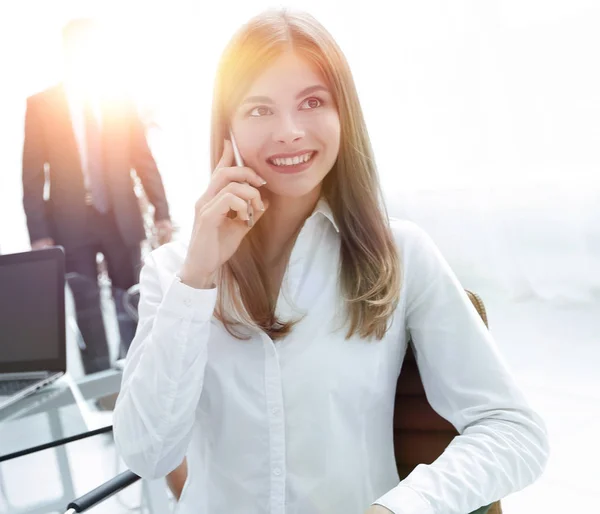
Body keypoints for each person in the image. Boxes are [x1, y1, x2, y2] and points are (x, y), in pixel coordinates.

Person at [113, 8, 549, 514]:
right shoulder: (173, 272)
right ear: (226, 128)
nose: (290, 131)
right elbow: (147, 453)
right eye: (259, 110)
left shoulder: (399, 254)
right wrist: (198, 276)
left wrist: (400, 509)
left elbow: (516, 431)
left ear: (344, 114)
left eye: (312, 102)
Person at [22, 18, 173, 375]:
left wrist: (161, 210)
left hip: (119, 215)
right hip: (70, 221)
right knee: (87, 304)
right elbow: (31, 174)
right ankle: (100, 388)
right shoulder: (42, 104)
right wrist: (38, 233)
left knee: (134, 297)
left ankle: (141, 375)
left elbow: (142, 158)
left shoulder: (120, 98)